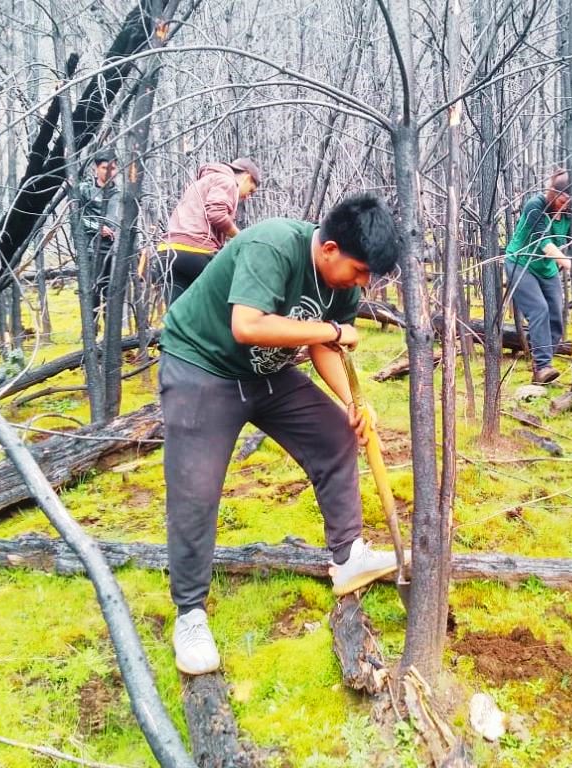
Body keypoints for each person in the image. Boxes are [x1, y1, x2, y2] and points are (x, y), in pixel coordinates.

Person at [160, 192, 405, 675]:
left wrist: (353, 402)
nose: (362, 284)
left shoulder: (345, 284)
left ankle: (349, 556)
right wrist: (331, 333)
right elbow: (248, 325)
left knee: (336, 435)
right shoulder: (274, 245)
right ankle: (190, 614)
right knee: (196, 489)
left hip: (264, 375)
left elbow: (324, 348)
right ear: (329, 248)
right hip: (200, 365)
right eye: (358, 271)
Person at [157, 157, 261, 305]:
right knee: (236, 298)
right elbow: (216, 215)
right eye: (251, 190)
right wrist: (241, 238)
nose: (248, 197)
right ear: (247, 176)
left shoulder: (200, 183)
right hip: (195, 250)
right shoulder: (227, 181)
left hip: (167, 252)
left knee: (179, 316)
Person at [504, 170, 572, 384]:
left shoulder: (571, 213)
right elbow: (544, 244)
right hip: (520, 262)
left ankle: (545, 366)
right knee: (539, 310)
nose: (565, 204)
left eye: (569, 200)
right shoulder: (536, 206)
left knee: (555, 317)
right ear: (554, 193)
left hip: (547, 268)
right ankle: (542, 366)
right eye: (562, 199)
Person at [77, 149, 120, 315]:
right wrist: (97, 227)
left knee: (111, 293)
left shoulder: (119, 193)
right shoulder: (84, 190)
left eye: (113, 168)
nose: (109, 171)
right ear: (96, 168)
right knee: (92, 292)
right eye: (104, 167)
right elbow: (75, 219)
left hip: (114, 251)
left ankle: (110, 338)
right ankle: (91, 333)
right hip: (91, 250)